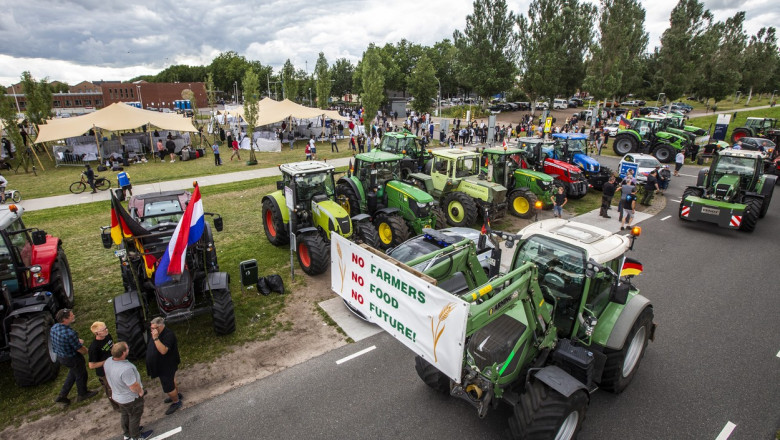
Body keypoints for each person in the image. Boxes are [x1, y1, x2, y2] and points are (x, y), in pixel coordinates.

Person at [105, 342, 153, 440]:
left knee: (125, 414)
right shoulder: (126, 369)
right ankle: (136, 436)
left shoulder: (108, 361)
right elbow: (133, 386)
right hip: (130, 398)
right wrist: (140, 392)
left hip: (118, 396)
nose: (128, 349)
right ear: (123, 353)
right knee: (134, 416)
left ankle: (127, 434)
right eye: (127, 348)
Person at [51, 309, 98, 406]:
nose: (74, 316)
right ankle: (82, 394)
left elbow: (64, 341)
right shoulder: (69, 333)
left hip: (61, 356)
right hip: (73, 358)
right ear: (65, 319)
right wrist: (88, 351)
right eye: (71, 315)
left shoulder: (54, 327)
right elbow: (80, 349)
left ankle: (62, 395)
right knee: (81, 375)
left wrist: (76, 340)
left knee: (73, 373)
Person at [146, 317, 182, 415]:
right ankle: (176, 395)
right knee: (172, 381)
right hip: (161, 365)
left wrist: (156, 338)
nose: (152, 330)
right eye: (151, 328)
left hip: (166, 366)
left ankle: (176, 402)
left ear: (160, 326)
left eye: (154, 328)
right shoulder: (156, 333)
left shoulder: (168, 335)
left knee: (168, 386)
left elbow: (163, 350)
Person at [88, 321, 120, 411]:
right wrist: (106, 361)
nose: (107, 330)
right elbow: (91, 365)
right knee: (111, 390)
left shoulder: (107, 336)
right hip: (104, 372)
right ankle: (117, 407)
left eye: (106, 328)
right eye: (104, 329)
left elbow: (112, 345)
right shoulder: (94, 348)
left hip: (115, 365)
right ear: (97, 333)